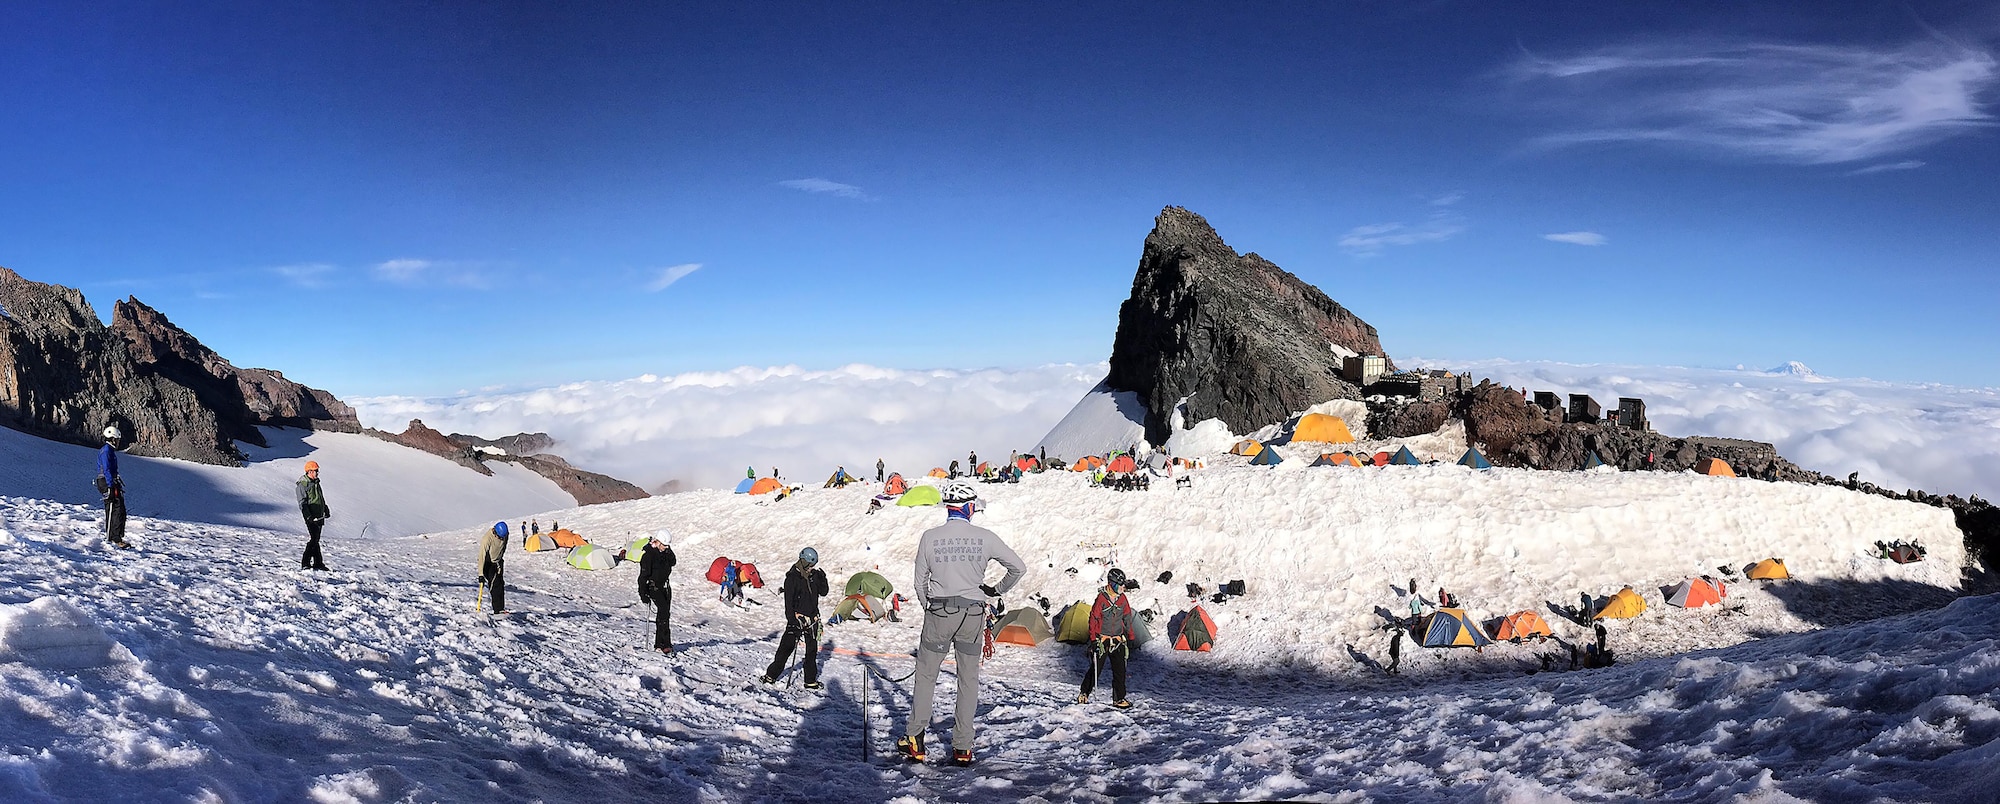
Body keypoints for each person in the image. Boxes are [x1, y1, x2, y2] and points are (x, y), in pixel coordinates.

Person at [898, 480, 1025, 767]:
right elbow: (1019, 567)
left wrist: (928, 607)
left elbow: (919, 583)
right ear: (969, 507)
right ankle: (963, 747)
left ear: (948, 507)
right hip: (973, 615)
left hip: (939, 612)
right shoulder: (985, 537)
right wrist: (996, 590)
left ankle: (916, 740)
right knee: (968, 680)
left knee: (926, 675)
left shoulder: (930, 537)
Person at [761, 547, 830, 687]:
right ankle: (771, 676)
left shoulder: (814, 576)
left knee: (811, 652)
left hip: (812, 620)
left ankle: (810, 680)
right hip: (797, 619)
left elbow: (823, 592)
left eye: (814, 566)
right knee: (785, 649)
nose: (812, 568)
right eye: (810, 565)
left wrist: (823, 579)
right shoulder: (792, 578)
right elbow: (788, 603)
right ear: (804, 562)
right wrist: (791, 621)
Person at [1078, 568, 1136, 708]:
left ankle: (1119, 698)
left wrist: (1131, 636)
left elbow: (1127, 617)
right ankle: (1084, 693)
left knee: (1120, 671)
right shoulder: (1102, 599)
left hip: (1117, 640)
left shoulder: (1122, 599)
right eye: (1120, 584)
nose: (1123, 587)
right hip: (1102, 640)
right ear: (1112, 583)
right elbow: (1093, 619)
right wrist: (1093, 640)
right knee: (1096, 669)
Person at [637, 530, 677, 654]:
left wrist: (668, 551)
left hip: (665, 586)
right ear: (657, 542)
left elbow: (673, 562)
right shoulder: (648, 555)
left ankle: (661, 644)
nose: (666, 548)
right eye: (664, 545)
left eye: (667, 546)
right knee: (663, 611)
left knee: (664, 614)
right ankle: (664, 644)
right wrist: (643, 593)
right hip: (653, 587)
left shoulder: (665, 553)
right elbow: (643, 576)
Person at [96, 425, 130, 548]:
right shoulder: (106, 451)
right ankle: (111, 538)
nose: (118, 442)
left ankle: (117, 537)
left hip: (110, 481)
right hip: (106, 481)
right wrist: (110, 486)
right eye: (117, 439)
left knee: (119, 508)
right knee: (113, 508)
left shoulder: (109, 450)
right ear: (112, 439)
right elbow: (106, 469)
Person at [295, 460, 331, 570]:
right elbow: (302, 503)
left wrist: (325, 508)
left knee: (316, 539)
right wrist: (308, 516)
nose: (317, 473)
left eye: (317, 471)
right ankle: (306, 563)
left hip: (319, 515)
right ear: (309, 471)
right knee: (314, 539)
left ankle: (318, 563)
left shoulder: (316, 483)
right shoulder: (303, 485)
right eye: (315, 471)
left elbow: (320, 498)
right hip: (311, 517)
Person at [478, 521, 509, 614]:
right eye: (499, 537)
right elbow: (481, 556)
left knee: (500, 584)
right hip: (488, 564)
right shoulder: (487, 539)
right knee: (494, 585)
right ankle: (497, 610)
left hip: (498, 562)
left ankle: (501, 609)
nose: (501, 539)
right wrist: (481, 574)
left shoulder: (505, 535)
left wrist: (500, 559)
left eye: (502, 537)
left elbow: (503, 546)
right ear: (495, 532)